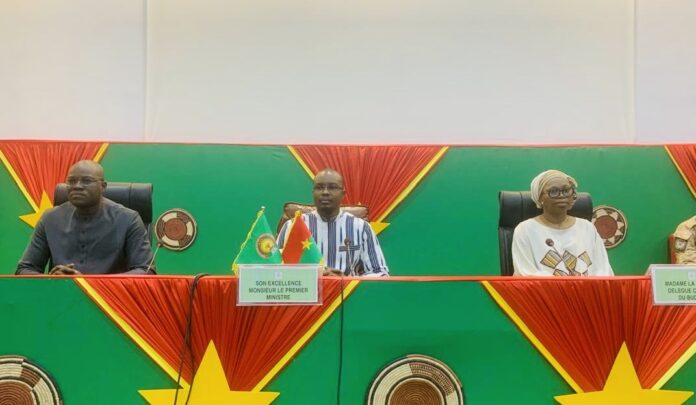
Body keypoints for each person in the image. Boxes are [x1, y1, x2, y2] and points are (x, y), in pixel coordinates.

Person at [16, 160, 155, 275]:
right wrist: (51, 280)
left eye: (86, 181)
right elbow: (24, 269)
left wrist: (89, 283)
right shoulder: (50, 218)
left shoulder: (129, 219)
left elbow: (146, 270)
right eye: (71, 181)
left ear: (103, 187)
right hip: (60, 294)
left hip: (108, 297)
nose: (77, 186)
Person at [277, 168, 389, 277]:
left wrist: (346, 281)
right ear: (313, 192)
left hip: (346, 289)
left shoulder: (361, 227)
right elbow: (274, 270)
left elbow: (380, 273)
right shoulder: (292, 226)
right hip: (307, 289)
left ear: (343, 193)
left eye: (332, 187)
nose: (325, 192)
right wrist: (312, 275)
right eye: (319, 187)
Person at [512, 169, 614, 277]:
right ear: (540, 197)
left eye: (566, 190)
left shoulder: (587, 227)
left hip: (588, 288)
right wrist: (566, 284)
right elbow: (526, 274)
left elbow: (603, 271)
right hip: (544, 288)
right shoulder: (525, 230)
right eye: (553, 191)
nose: (561, 195)